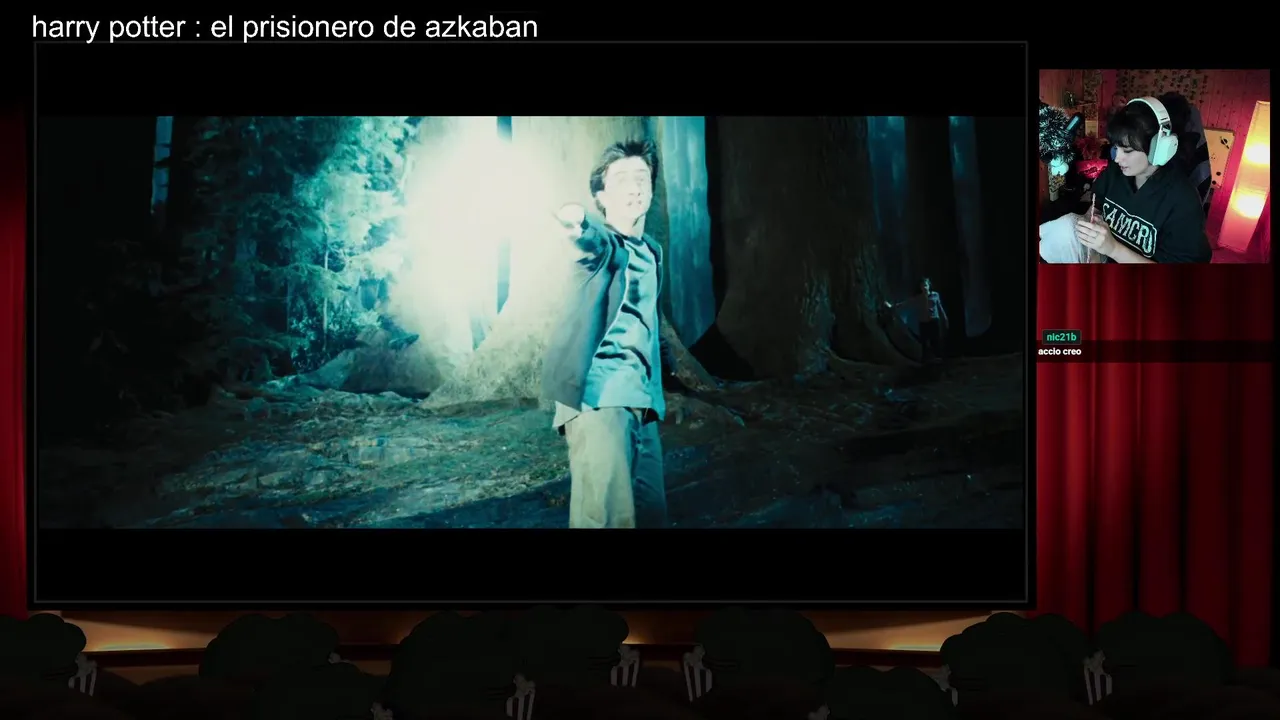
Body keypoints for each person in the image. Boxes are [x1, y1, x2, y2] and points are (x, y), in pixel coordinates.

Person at [541, 139, 675, 529]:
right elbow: (589, 243)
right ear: (601, 196)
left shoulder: (652, 252)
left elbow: (648, 324)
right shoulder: (603, 249)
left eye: (642, 177)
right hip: (599, 401)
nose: (635, 186)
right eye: (622, 179)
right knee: (606, 518)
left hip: (643, 404)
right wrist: (577, 223)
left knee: (651, 514)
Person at [1074, 97, 1211, 263]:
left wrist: (1113, 249)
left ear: (1159, 148)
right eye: (1116, 148)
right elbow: (1097, 206)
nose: (1117, 158)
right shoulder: (1115, 172)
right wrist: (1091, 222)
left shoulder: (1183, 201)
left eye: (1127, 150)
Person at [885, 277, 948, 363]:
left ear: (929, 286)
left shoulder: (935, 295)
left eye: (925, 285)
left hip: (934, 320)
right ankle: (925, 361)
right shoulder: (918, 298)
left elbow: (940, 307)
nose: (924, 287)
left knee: (935, 340)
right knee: (924, 342)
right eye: (922, 286)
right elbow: (906, 303)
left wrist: (945, 318)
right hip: (923, 322)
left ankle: (939, 358)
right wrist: (892, 306)